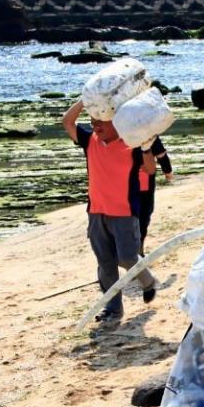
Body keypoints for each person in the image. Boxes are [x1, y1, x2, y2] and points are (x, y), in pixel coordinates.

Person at [62, 100, 158, 325]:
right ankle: (113, 310)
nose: (96, 125)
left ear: (116, 122)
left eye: (101, 122)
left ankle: (148, 281)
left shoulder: (131, 144)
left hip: (124, 212)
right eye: (93, 121)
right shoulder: (89, 141)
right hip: (96, 212)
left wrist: (145, 148)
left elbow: (151, 169)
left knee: (127, 258)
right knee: (105, 264)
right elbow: (67, 121)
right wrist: (85, 101)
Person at [138, 136, 173, 254]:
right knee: (143, 216)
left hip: (124, 183)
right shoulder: (149, 132)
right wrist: (167, 171)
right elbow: (161, 155)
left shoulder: (120, 130)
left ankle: (134, 249)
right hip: (144, 182)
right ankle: (139, 249)